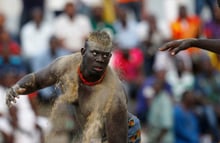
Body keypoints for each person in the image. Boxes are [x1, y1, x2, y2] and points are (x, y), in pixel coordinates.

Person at [5, 31, 141, 143]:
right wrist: (17, 87)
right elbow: (37, 80)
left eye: (105, 55)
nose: (100, 59)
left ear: (110, 57)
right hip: (90, 130)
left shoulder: (114, 94)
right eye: (95, 53)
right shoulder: (66, 65)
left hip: (121, 133)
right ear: (83, 52)